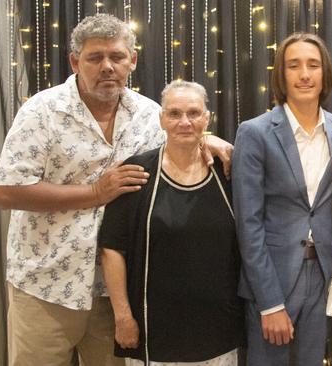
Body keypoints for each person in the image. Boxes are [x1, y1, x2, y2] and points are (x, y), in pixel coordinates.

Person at [0, 14, 231, 365]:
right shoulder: (41, 112)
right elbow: (6, 191)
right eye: (95, 57)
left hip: (115, 295)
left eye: (117, 57)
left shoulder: (151, 116)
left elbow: (182, 135)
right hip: (46, 287)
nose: (107, 67)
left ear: (132, 61)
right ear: (76, 62)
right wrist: (94, 193)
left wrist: (208, 139)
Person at [98, 80, 244, 365]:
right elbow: (112, 249)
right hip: (155, 332)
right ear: (161, 119)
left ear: (207, 118)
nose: (185, 122)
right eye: (175, 114)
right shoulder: (137, 172)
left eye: (193, 113)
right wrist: (123, 316)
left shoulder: (228, 173)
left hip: (218, 329)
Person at [232, 32, 332, 366]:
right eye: (293, 65)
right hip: (273, 279)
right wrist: (269, 303)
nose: (304, 74)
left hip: (323, 276)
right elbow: (249, 224)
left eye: (313, 65)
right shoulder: (255, 133)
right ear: (280, 75)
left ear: (324, 73)